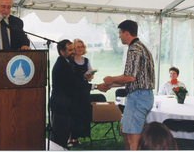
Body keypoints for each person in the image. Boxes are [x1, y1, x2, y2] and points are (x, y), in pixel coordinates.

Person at [103, 20, 155, 150]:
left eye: (120, 33)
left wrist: (111, 79)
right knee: (125, 131)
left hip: (138, 98)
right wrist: (111, 85)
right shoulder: (142, 47)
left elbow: (130, 77)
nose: (119, 36)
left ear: (126, 33)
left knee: (133, 139)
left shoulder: (134, 49)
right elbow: (136, 79)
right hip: (141, 96)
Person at [50, 39, 108, 148]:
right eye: (71, 49)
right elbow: (75, 85)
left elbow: (76, 80)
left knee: (61, 137)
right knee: (59, 138)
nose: (74, 51)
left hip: (65, 105)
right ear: (62, 52)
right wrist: (96, 86)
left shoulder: (67, 63)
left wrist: (88, 80)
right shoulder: (62, 66)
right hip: (61, 105)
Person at [67, 38, 95, 147]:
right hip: (73, 93)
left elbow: (90, 76)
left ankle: (76, 138)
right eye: (77, 47)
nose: (80, 49)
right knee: (72, 115)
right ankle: (69, 139)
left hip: (83, 93)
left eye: (81, 46)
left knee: (81, 115)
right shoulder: (70, 61)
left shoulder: (86, 60)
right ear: (73, 48)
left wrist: (90, 76)